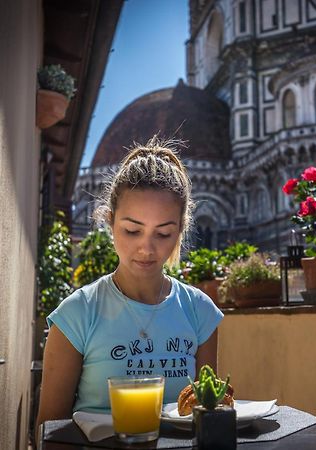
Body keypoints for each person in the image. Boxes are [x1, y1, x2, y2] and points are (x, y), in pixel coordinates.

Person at [36, 137, 224, 428]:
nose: (146, 249)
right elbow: (49, 430)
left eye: (163, 234)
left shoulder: (200, 311)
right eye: (132, 230)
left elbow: (204, 413)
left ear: (181, 230)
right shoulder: (76, 315)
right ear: (110, 222)